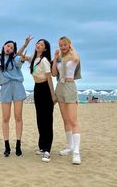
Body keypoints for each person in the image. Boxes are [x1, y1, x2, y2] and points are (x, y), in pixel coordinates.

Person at [18, 37, 56, 163]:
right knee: (40, 118)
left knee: (47, 120)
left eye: (41, 44)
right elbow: (19, 54)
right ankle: (42, 146)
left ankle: (47, 150)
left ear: (45, 48)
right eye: (38, 43)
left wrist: (53, 95)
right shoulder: (34, 58)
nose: (38, 45)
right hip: (37, 88)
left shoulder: (44, 60)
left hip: (45, 88)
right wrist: (25, 44)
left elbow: (49, 78)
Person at [0, 40, 27, 157]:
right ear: (4, 46)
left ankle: (18, 145)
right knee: (5, 117)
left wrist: (22, 58)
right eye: (7, 46)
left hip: (17, 86)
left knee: (18, 116)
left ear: (13, 50)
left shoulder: (15, 58)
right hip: (5, 87)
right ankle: (7, 146)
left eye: (11, 47)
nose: (9, 48)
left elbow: (19, 63)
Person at [51, 36, 82, 165]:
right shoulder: (59, 58)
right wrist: (55, 58)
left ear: (69, 45)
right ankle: (70, 147)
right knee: (65, 120)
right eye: (60, 45)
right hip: (60, 87)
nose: (62, 47)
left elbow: (76, 58)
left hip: (70, 86)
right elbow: (53, 74)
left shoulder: (73, 56)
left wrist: (72, 47)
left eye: (65, 44)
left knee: (73, 120)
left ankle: (76, 152)